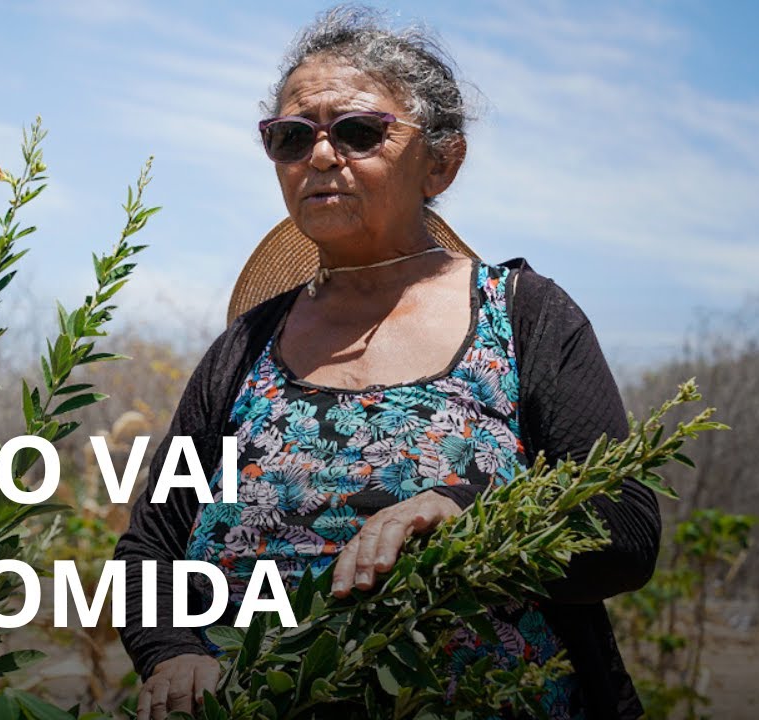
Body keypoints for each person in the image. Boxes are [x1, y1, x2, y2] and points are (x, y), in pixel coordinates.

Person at [113, 6, 660, 719]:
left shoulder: (525, 318)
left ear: (441, 161)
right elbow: (151, 545)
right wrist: (172, 651)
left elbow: (625, 530)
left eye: (358, 131)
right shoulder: (244, 350)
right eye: (290, 136)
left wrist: (464, 511)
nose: (319, 156)